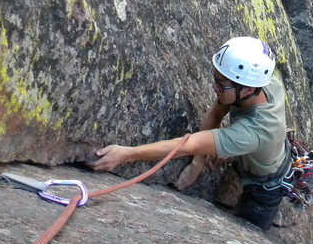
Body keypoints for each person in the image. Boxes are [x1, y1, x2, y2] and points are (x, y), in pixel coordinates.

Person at [92, 36, 290, 231]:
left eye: (221, 85)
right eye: (216, 79)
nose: (214, 87)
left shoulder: (255, 131)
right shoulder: (266, 84)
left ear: (248, 90)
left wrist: (126, 154)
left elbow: (186, 146)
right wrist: (198, 163)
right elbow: (217, 111)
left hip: (265, 188)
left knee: (250, 232)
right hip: (264, 151)